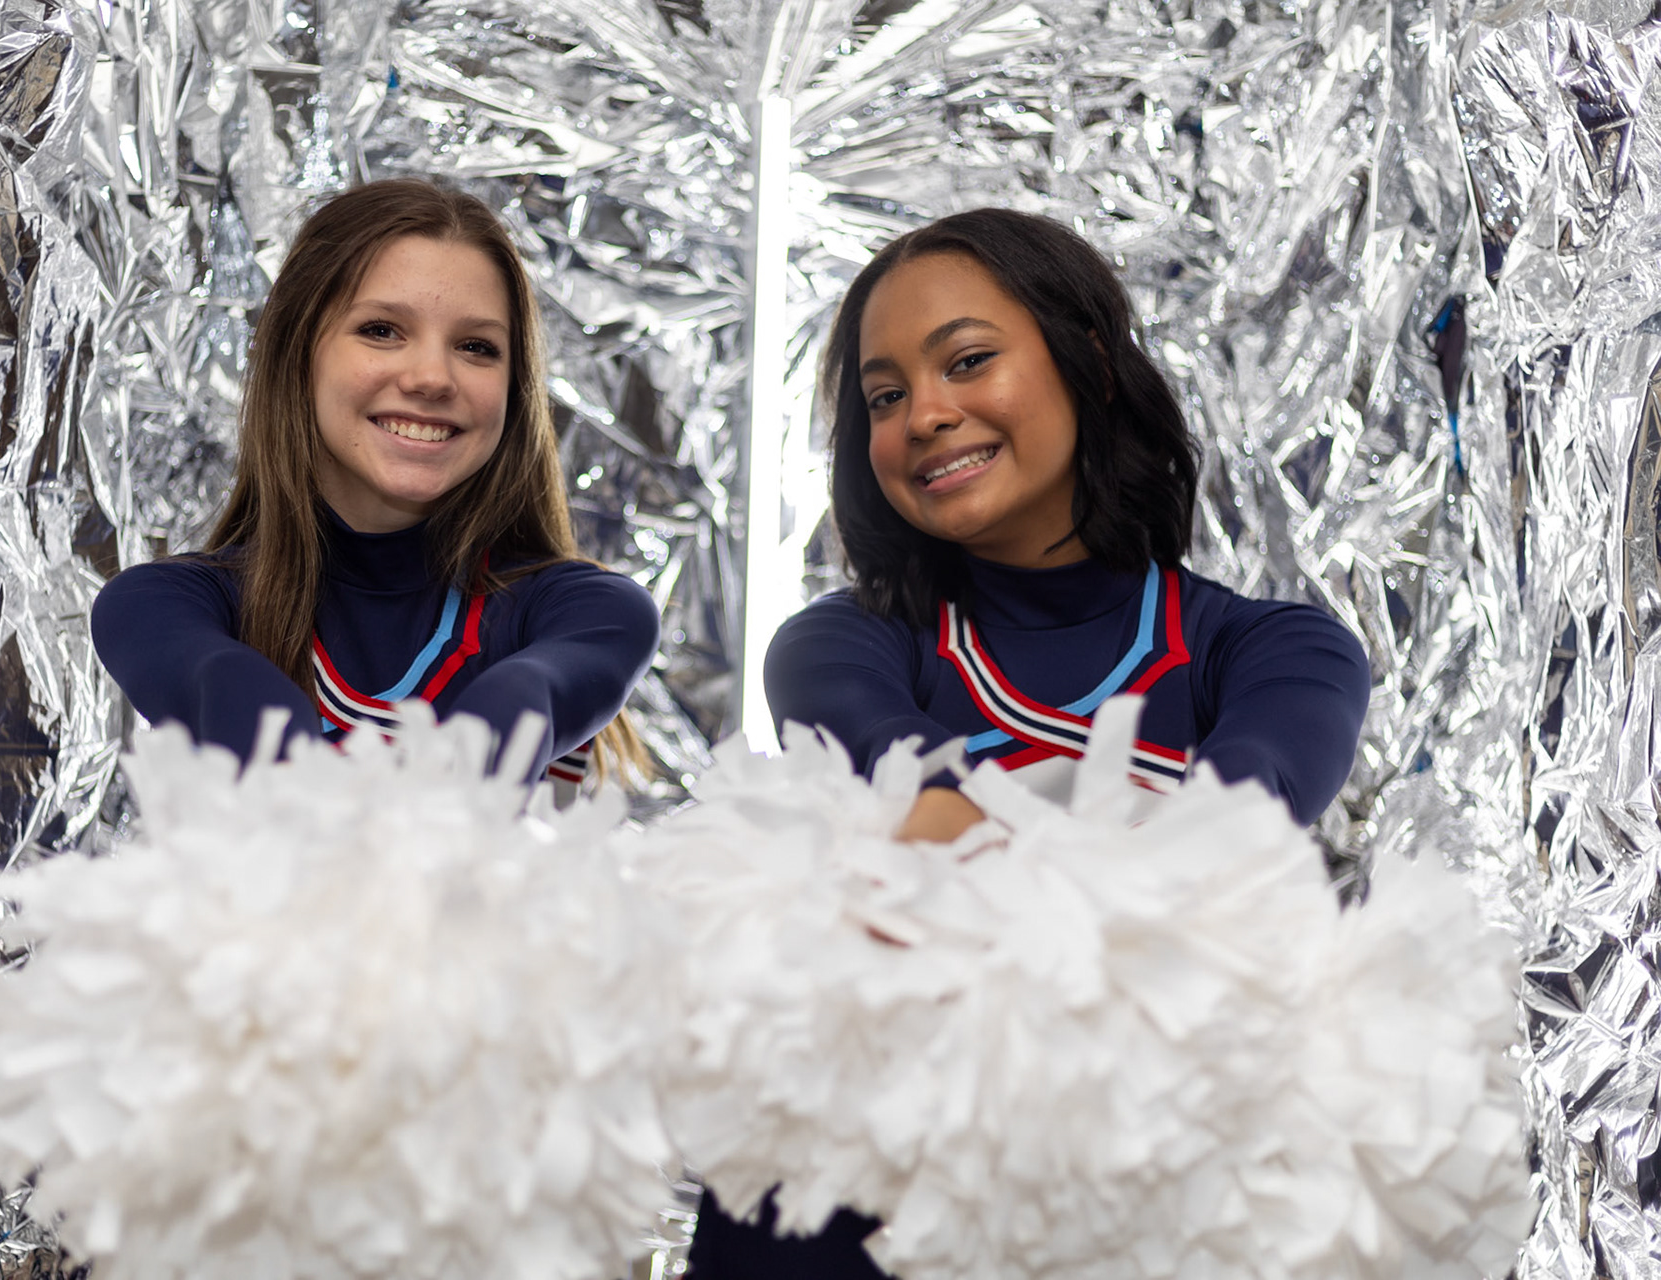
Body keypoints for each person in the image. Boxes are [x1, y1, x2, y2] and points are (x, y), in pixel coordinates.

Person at [687, 209, 1371, 1276]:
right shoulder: (844, 646)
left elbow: (1231, 827)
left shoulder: (1274, 652)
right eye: (885, 394)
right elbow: (910, 777)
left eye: (967, 360)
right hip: (848, 1218)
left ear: (1088, 365)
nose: (926, 414)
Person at [92, 179, 658, 788]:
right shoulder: (163, 607)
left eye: (476, 346)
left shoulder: (588, 613)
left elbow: (505, 724)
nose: (432, 377)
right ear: (298, 354)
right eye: (382, 330)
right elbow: (253, 725)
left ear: (514, 388)